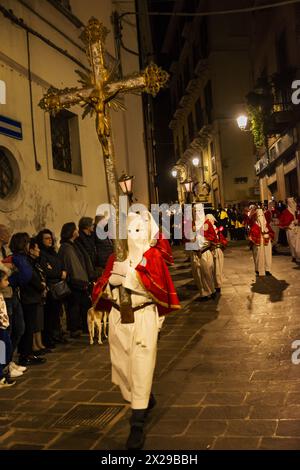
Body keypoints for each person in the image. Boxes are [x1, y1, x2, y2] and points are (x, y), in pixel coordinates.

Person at [92, 211, 180, 450]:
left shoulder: (152, 257)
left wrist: (129, 277)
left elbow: (157, 286)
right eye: (128, 231)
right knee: (123, 368)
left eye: (138, 230)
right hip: (119, 317)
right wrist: (111, 282)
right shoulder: (114, 258)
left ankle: (137, 425)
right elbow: (102, 285)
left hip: (142, 316)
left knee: (141, 366)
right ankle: (144, 398)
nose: (133, 236)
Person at [18, 238, 48, 365]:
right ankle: (25, 355)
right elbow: (30, 277)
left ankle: (28, 353)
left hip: (33, 296)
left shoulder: (32, 261)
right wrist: (41, 286)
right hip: (29, 296)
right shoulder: (25, 261)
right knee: (27, 327)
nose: (39, 250)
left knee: (31, 326)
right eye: (37, 248)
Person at [58, 223, 91, 337]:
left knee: (82, 305)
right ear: (71, 232)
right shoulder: (66, 247)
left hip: (78, 281)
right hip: (74, 281)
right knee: (74, 306)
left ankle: (82, 327)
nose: (77, 231)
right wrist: (80, 279)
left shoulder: (73, 245)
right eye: (76, 229)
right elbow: (72, 265)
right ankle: (74, 328)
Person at [37, 229, 68, 347]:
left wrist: (62, 270)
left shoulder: (53, 252)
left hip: (58, 286)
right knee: (49, 315)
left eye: (50, 238)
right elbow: (46, 270)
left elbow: (59, 264)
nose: (49, 240)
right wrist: (59, 273)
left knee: (56, 314)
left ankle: (56, 335)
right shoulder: (42, 254)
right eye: (46, 238)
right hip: (51, 287)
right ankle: (48, 339)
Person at [0, 270, 16, 388]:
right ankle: (1, 377)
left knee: (6, 349)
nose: (8, 282)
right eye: (5, 280)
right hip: (0, 328)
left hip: (3, 326)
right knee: (2, 351)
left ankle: (3, 374)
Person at [205, 213, 228, 293]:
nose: (213, 222)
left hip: (217, 250)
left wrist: (222, 243)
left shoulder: (216, 229)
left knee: (218, 269)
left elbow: (222, 239)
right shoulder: (207, 229)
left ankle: (217, 284)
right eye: (212, 221)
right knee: (213, 269)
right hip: (211, 251)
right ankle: (216, 285)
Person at [249, 208, 274, 276]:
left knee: (267, 255)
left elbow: (272, 233)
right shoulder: (255, 226)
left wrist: (268, 235)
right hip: (258, 244)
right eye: (259, 216)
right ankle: (258, 270)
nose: (261, 218)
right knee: (258, 256)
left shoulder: (267, 225)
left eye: (262, 215)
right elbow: (251, 236)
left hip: (266, 243)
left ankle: (267, 269)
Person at [279, 197, 298, 262]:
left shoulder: (296, 210)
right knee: (291, 243)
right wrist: (287, 226)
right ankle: (294, 256)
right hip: (290, 229)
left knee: (297, 243)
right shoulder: (286, 211)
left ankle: (298, 255)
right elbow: (283, 220)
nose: (292, 204)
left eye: (293, 202)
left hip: (297, 228)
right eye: (291, 202)